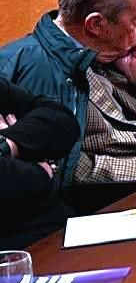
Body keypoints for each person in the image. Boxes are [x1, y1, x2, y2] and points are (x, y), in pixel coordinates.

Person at [0, 0, 136, 206]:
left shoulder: (108, 54)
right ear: (96, 24)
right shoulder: (34, 66)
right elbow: (64, 170)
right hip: (111, 203)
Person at [0, 77, 78, 248]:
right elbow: (33, 180)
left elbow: (63, 120)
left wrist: (8, 143)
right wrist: (37, 168)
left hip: (62, 230)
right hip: (14, 250)